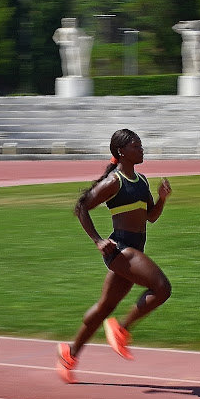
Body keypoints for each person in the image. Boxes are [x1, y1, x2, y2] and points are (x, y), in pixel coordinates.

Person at [57, 129, 172, 383]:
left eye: (141, 145)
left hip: (133, 251)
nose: (141, 149)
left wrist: (162, 199)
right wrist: (98, 240)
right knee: (162, 288)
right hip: (120, 250)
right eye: (136, 145)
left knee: (104, 308)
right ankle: (121, 328)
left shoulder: (141, 181)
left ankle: (70, 353)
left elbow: (150, 217)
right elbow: (82, 207)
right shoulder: (114, 182)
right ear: (121, 151)